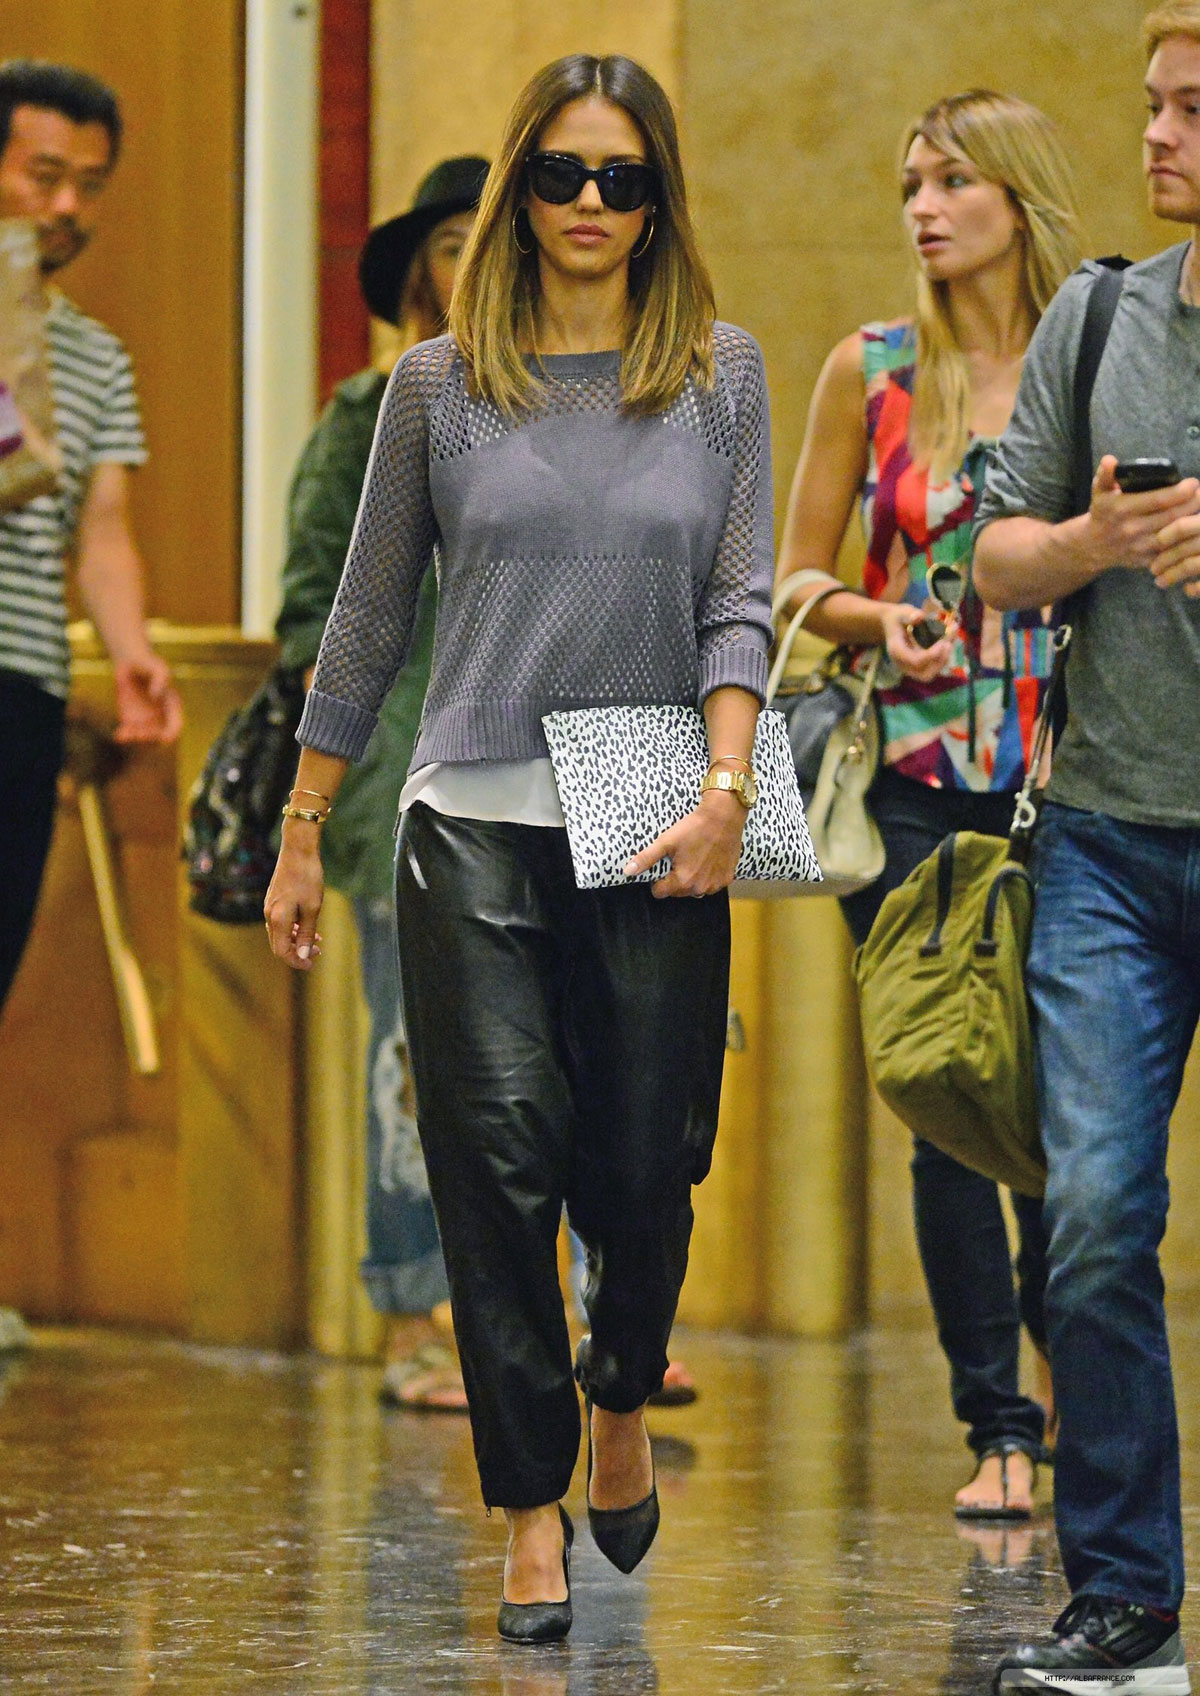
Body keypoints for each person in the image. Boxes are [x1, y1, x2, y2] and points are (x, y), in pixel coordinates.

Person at [265, 51, 773, 1644]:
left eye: (625, 180)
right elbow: (359, 625)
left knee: (643, 1161)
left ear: (661, 198)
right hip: (469, 799)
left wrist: (728, 788)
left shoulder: (722, 372)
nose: (593, 206)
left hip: (650, 791)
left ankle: (622, 1392)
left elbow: (739, 603)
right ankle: (530, 1507)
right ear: (516, 188)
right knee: (497, 1166)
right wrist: (298, 831)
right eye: (563, 174)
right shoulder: (436, 385)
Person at [774, 90, 1083, 1518]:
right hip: (907, 789)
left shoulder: (1102, 354)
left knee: (1071, 1104)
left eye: (954, 180)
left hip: (1075, 781)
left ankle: (1086, 1375)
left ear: (1017, 198)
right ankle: (997, 1424)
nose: (924, 206)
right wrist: (869, 617)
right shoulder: (874, 371)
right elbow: (787, 580)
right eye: (911, 181)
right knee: (949, 1095)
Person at [974, 9, 1200, 1689]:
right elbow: (991, 554)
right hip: (1110, 845)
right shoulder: (1098, 311)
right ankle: (1124, 1590)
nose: (1163, 135)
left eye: (1194, 108)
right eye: (1155, 105)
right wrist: (1092, 540)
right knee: (1099, 1218)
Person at [275, 155, 489, 1413]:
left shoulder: (570, 411)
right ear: (419, 270)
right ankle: (415, 1315)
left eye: (490, 239)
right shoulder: (365, 412)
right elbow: (310, 606)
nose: (475, 266)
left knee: (556, 1047)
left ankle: (570, 1307)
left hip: (547, 771)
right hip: (396, 775)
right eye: (454, 241)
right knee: (410, 1052)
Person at [0, 59, 181, 1018]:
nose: (68, 205)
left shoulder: (95, 356)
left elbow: (101, 530)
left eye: (92, 185)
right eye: (45, 175)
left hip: (21, 688)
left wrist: (133, 652)